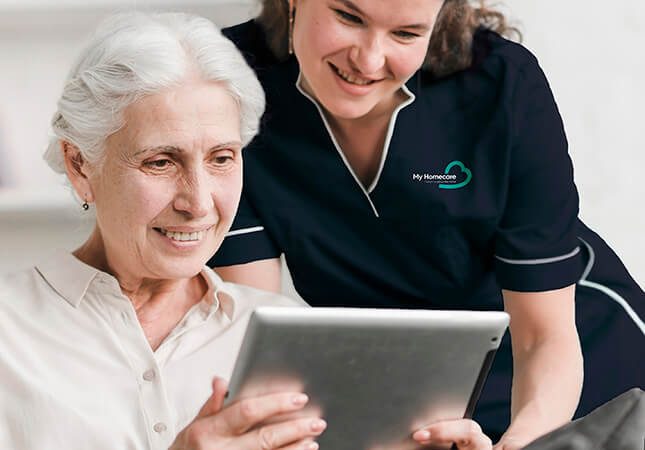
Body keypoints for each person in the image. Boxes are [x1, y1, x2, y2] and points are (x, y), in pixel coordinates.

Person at [0, 11, 496, 450]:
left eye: (221, 158)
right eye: (160, 162)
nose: (199, 203)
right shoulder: (10, 331)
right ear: (80, 164)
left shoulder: (297, 339)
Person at [210, 0, 645, 448]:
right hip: (400, 379)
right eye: (349, 17)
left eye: (406, 34)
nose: (369, 60)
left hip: (574, 360)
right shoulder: (227, 79)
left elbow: (543, 337)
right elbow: (254, 328)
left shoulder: (502, 85)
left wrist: (523, 444)